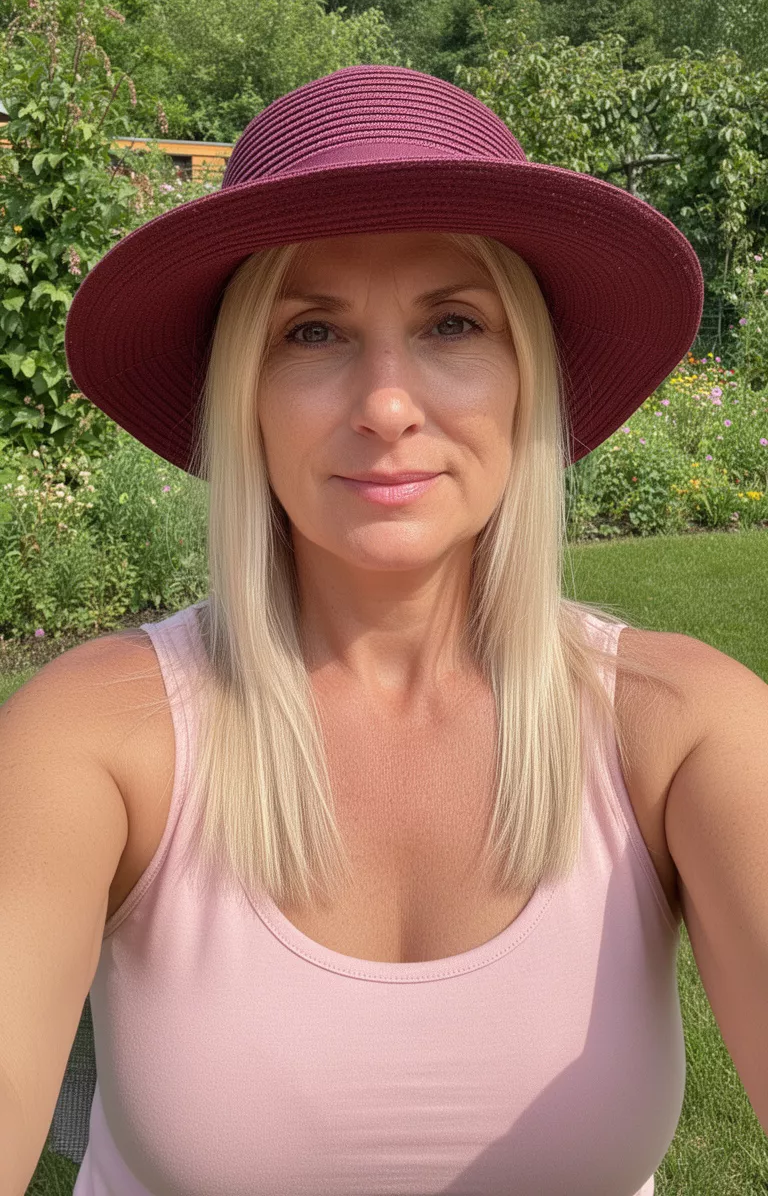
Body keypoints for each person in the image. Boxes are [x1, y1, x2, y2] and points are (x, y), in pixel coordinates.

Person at [2, 65, 767, 1196]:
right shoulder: (95, 739)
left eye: (453, 322)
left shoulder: (684, 730)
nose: (389, 403)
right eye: (312, 332)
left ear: (527, 378)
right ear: (242, 393)